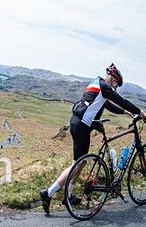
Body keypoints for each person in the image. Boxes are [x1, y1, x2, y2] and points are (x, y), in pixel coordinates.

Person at [40, 63, 146, 214]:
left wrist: (124, 111)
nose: (115, 88)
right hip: (81, 125)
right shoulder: (103, 85)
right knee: (76, 164)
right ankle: (48, 193)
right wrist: (140, 112)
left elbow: (108, 104)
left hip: (79, 124)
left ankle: (68, 195)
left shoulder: (97, 83)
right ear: (111, 79)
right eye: (115, 84)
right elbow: (119, 99)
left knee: (80, 163)